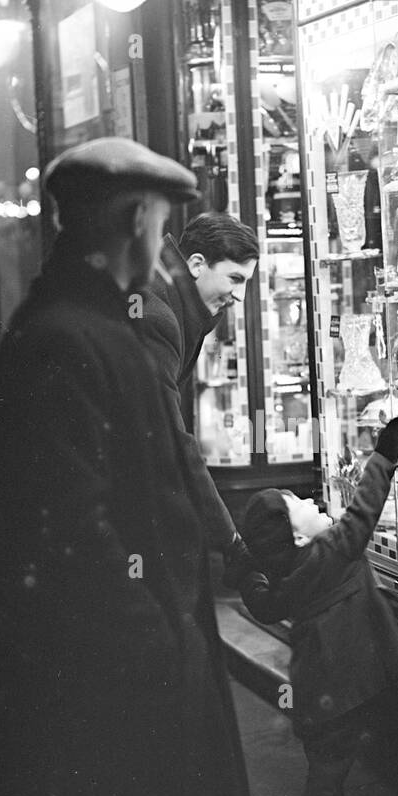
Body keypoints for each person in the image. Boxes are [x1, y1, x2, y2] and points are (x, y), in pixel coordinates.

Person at [0, 138, 257, 796]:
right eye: (157, 226)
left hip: (113, 669)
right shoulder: (70, 334)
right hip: (109, 678)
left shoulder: (86, 321)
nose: (161, 246)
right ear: (129, 225)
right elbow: (72, 526)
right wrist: (161, 642)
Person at [238, 417, 398, 796]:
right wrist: (385, 455)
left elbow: (263, 603)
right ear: (298, 535)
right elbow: (363, 511)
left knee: (329, 752)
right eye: (299, 502)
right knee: (332, 758)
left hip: (320, 683)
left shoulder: (289, 574)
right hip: (341, 684)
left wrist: (245, 570)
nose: (311, 497)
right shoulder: (329, 552)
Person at [135, 213, 261, 583]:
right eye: (235, 278)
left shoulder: (167, 296)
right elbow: (170, 439)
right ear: (195, 264)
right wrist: (231, 540)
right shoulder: (157, 314)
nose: (240, 296)